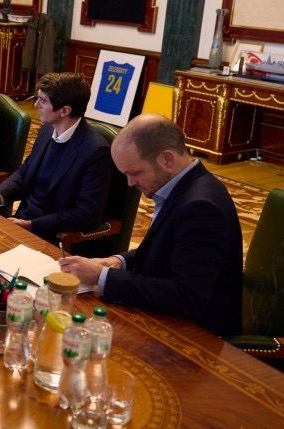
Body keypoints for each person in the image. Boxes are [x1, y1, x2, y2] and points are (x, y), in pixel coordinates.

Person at [59, 114, 243, 336]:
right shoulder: (180, 186)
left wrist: (102, 276)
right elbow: (164, 252)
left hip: (197, 337)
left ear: (166, 159)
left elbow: (187, 297)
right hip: (165, 317)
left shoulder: (201, 207)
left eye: (135, 173)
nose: (130, 183)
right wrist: (117, 262)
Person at [0, 72, 112, 245]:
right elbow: (24, 172)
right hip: (20, 224)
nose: (36, 104)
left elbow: (86, 215)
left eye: (43, 100)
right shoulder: (47, 130)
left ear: (65, 111)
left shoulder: (95, 151)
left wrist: (31, 225)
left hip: (52, 236)